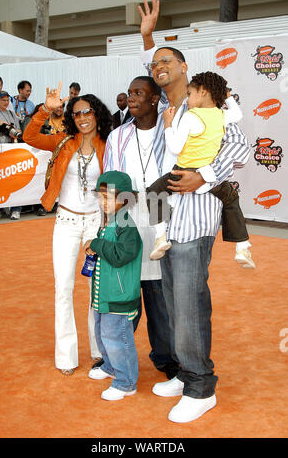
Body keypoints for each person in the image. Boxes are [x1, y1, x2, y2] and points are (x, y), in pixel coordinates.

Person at [137, 0, 251, 423]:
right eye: (154, 65)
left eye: (166, 61)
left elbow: (239, 148)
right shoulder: (169, 108)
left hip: (197, 219)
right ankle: (186, 374)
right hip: (171, 220)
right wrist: (148, 36)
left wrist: (204, 175)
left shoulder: (208, 101)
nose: (158, 67)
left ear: (185, 67)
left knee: (187, 302)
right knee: (171, 300)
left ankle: (202, 387)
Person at [23, 81, 112, 376]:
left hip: (96, 225)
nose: (82, 117)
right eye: (76, 113)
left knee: (96, 290)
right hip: (66, 221)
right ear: (71, 118)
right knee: (63, 288)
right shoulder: (63, 141)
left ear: (97, 114)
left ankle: (100, 352)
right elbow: (30, 136)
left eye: (87, 111)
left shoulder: (109, 145)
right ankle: (66, 356)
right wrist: (44, 111)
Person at [104, 75, 179, 379]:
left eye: (139, 93)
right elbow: (109, 181)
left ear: (154, 100)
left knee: (160, 299)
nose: (131, 98)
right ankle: (115, 360)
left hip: (163, 225)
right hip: (128, 223)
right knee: (123, 295)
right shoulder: (117, 136)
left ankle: (167, 359)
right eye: (129, 93)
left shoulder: (171, 131)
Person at [147, 72, 254, 267]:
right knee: (231, 201)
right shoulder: (223, 115)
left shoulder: (190, 116)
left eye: (190, 93)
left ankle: (160, 237)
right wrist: (227, 97)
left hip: (181, 173)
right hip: (209, 177)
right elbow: (238, 114)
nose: (187, 99)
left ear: (203, 92)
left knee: (153, 193)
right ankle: (242, 248)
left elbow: (175, 147)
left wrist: (168, 124)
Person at [85, 171, 142, 400]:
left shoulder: (126, 223)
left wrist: (97, 243)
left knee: (116, 338)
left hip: (119, 296)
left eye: (110, 197)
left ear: (126, 199)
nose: (103, 202)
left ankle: (126, 382)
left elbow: (121, 256)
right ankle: (110, 366)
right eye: (101, 196)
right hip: (104, 294)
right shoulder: (110, 221)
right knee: (102, 333)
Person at [0, 90, 22, 220]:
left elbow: (19, 130)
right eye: (3, 100)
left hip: (10, 148)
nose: (6, 102)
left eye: (7, 100)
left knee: (14, 179)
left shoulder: (12, 113)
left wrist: (12, 130)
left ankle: (16, 208)